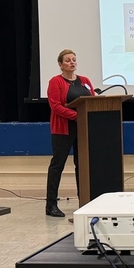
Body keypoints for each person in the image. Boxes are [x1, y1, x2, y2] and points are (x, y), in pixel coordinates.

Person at [45, 49, 94, 217]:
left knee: (82, 165)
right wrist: (78, 116)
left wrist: (85, 117)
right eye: (67, 60)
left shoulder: (85, 81)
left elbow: (92, 101)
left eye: (74, 59)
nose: (72, 62)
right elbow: (56, 106)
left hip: (83, 128)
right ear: (60, 65)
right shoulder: (56, 82)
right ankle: (51, 205)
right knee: (57, 165)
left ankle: (84, 201)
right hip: (63, 128)